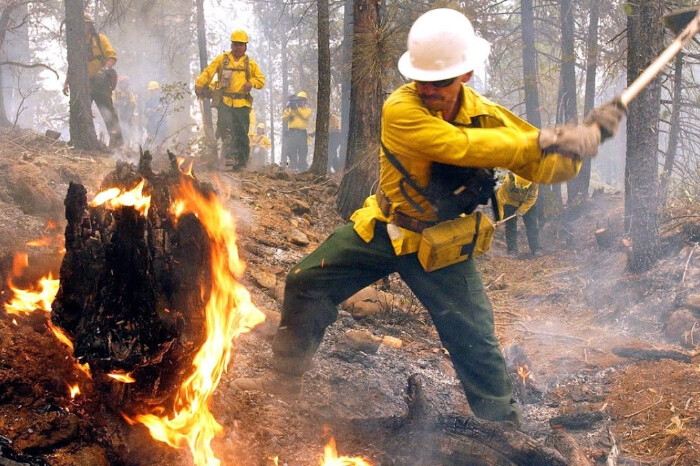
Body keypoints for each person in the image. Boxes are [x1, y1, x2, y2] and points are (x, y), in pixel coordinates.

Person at [233, 9, 625, 428]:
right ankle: (284, 381)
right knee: (306, 282)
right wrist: (539, 140)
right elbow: (457, 145)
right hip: (384, 228)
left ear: (466, 74)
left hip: (441, 247)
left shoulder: (487, 117)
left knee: (475, 340)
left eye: (439, 81)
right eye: (419, 77)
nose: (427, 88)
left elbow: (546, 167)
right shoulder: (400, 109)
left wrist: (576, 147)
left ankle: (503, 430)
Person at [195, 29, 266, 170]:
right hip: (225, 101)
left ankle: (241, 161)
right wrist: (200, 84)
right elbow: (209, 71)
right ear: (231, 45)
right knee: (225, 128)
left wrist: (251, 83)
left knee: (241, 132)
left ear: (246, 46)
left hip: (242, 104)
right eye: (235, 44)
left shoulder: (250, 64)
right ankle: (230, 157)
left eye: (241, 44)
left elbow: (261, 80)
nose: (238, 47)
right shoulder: (222, 59)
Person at [63, 13, 123, 148]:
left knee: (108, 113)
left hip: (100, 83)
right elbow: (73, 64)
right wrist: (67, 81)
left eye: (83, 24)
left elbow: (112, 57)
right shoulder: (76, 44)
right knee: (80, 112)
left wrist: (104, 70)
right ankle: (81, 143)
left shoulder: (100, 39)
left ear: (89, 25)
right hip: (84, 85)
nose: (81, 28)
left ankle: (118, 144)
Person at [496, 172, 540, 256]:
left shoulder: (534, 181)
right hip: (510, 202)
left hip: (527, 202)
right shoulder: (508, 181)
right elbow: (500, 200)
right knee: (510, 226)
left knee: (532, 226)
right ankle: (512, 250)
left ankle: (536, 249)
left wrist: (522, 210)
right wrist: (499, 218)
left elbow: (533, 197)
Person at [282, 91, 312, 171]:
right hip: (292, 132)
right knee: (291, 150)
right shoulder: (291, 109)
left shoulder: (307, 110)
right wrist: (289, 108)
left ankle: (302, 168)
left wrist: (296, 109)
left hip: (302, 133)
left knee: (303, 150)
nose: (300, 102)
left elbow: (304, 116)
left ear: (305, 101)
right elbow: (284, 118)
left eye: (302, 100)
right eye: (298, 100)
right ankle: (293, 167)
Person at [114, 75, 136, 148]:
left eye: (127, 84)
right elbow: (112, 103)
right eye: (125, 83)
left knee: (127, 131)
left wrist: (131, 114)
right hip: (117, 116)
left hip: (127, 116)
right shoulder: (115, 93)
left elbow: (133, 104)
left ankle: (127, 146)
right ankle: (117, 146)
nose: (126, 86)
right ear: (120, 83)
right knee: (117, 131)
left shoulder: (130, 94)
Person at [143, 81, 167, 149]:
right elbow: (145, 112)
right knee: (150, 139)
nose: (153, 92)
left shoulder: (162, 100)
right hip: (151, 124)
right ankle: (144, 153)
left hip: (161, 124)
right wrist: (149, 111)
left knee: (160, 141)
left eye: (154, 90)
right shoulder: (148, 101)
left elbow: (166, 109)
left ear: (158, 90)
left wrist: (160, 109)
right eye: (151, 91)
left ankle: (159, 154)